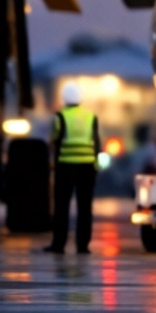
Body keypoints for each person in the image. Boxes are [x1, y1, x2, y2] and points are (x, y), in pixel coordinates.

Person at [47, 83, 101, 254]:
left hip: (66, 166)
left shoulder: (60, 117)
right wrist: (96, 164)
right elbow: (96, 141)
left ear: (64, 99)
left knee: (61, 206)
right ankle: (83, 245)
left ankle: (58, 244)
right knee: (85, 208)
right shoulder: (91, 117)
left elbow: (54, 139)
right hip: (87, 167)